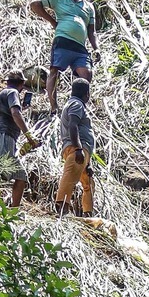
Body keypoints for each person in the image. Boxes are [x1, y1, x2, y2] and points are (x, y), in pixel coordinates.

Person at [32, 0, 97, 112]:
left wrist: (96, 48)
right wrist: (52, 22)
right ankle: (54, 107)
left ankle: (77, 106)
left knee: (86, 74)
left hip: (80, 46)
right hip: (63, 40)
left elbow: (91, 31)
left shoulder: (88, 7)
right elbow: (35, 4)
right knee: (54, 71)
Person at [0, 70, 35, 208]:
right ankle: (10, 210)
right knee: (11, 175)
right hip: (4, 135)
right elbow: (15, 113)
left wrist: (21, 109)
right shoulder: (13, 92)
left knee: (5, 172)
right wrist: (29, 135)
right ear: (21, 84)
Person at [55, 75, 95, 217]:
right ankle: (61, 210)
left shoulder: (74, 104)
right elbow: (73, 125)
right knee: (70, 177)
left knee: (88, 183)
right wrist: (78, 149)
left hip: (82, 151)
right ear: (86, 94)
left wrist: (88, 163)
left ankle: (87, 214)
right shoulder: (76, 104)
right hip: (76, 149)